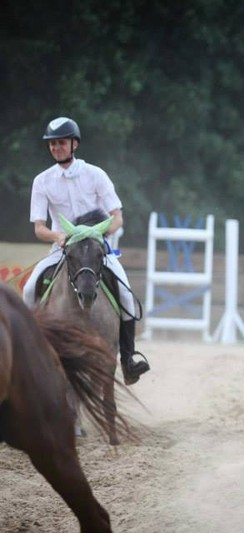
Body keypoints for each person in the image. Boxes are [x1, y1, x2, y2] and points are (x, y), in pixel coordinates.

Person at [22, 117, 150, 385]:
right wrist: (58, 236)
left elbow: (117, 217)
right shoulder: (42, 181)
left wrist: (99, 233)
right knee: (28, 289)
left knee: (126, 296)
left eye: (61, 143)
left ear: (74, 144)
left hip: (95, 249)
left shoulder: (96, 174)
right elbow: (39, 227)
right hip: (63, 248)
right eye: (53, 144)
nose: (57, 148)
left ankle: (128, 359)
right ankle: (30, 356)